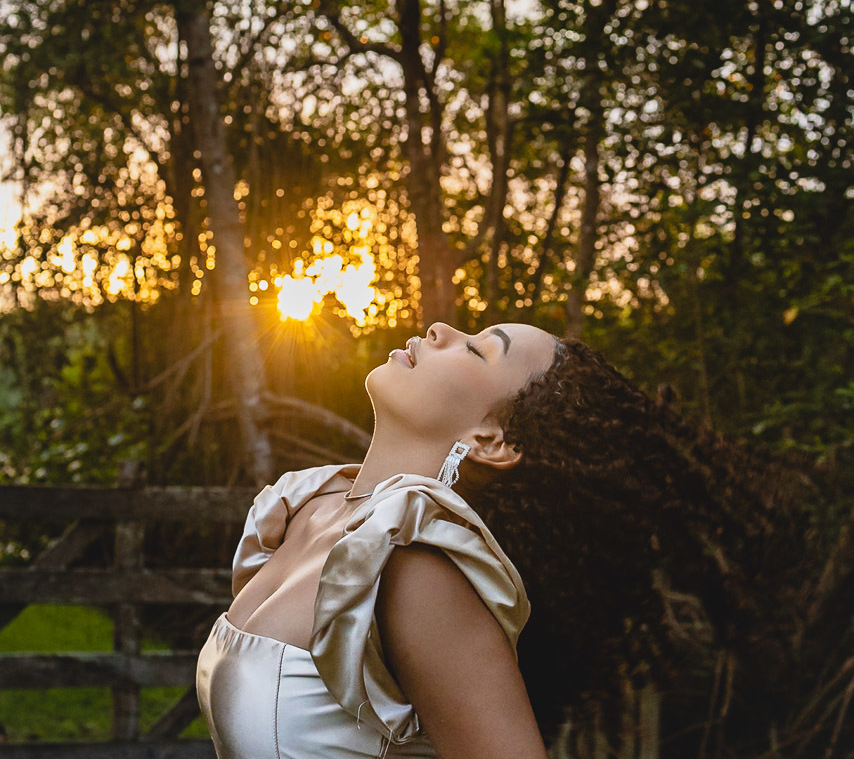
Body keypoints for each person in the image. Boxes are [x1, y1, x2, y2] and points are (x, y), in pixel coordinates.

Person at [197, 321, 813, 758]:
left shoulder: (416, 568)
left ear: (493, 438)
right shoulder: (306, 506)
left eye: (477, 349)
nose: (438, 330)